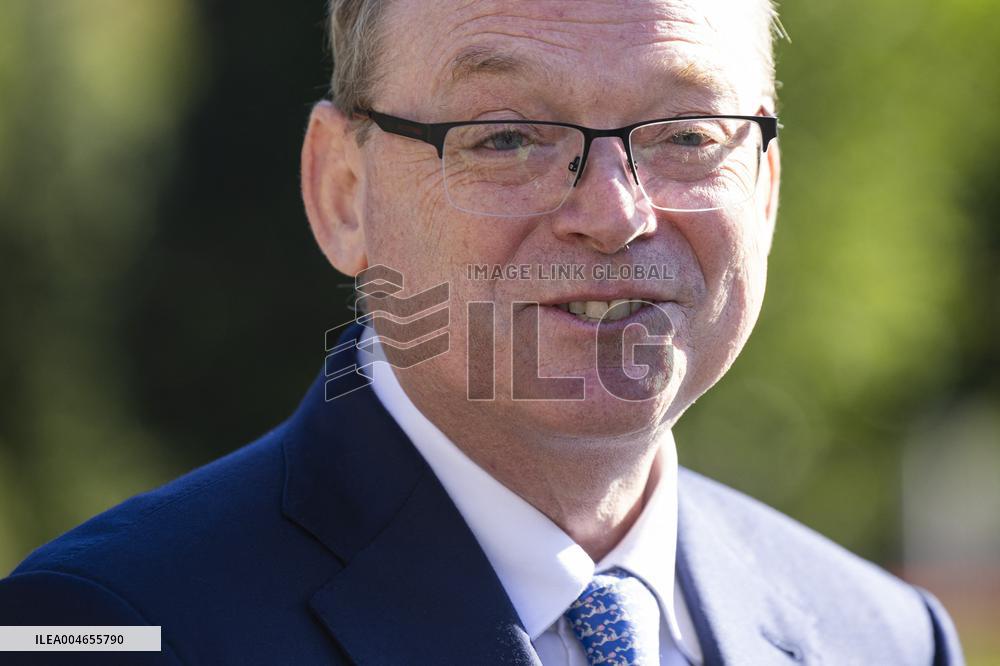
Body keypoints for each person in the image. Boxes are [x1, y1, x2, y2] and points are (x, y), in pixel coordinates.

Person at [0, 1, 965, 664]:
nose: (614, 213)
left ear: (765, 186)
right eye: (506, 135)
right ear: (344, 192)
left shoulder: (881, 636)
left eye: (685, 133)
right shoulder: (116, 625)